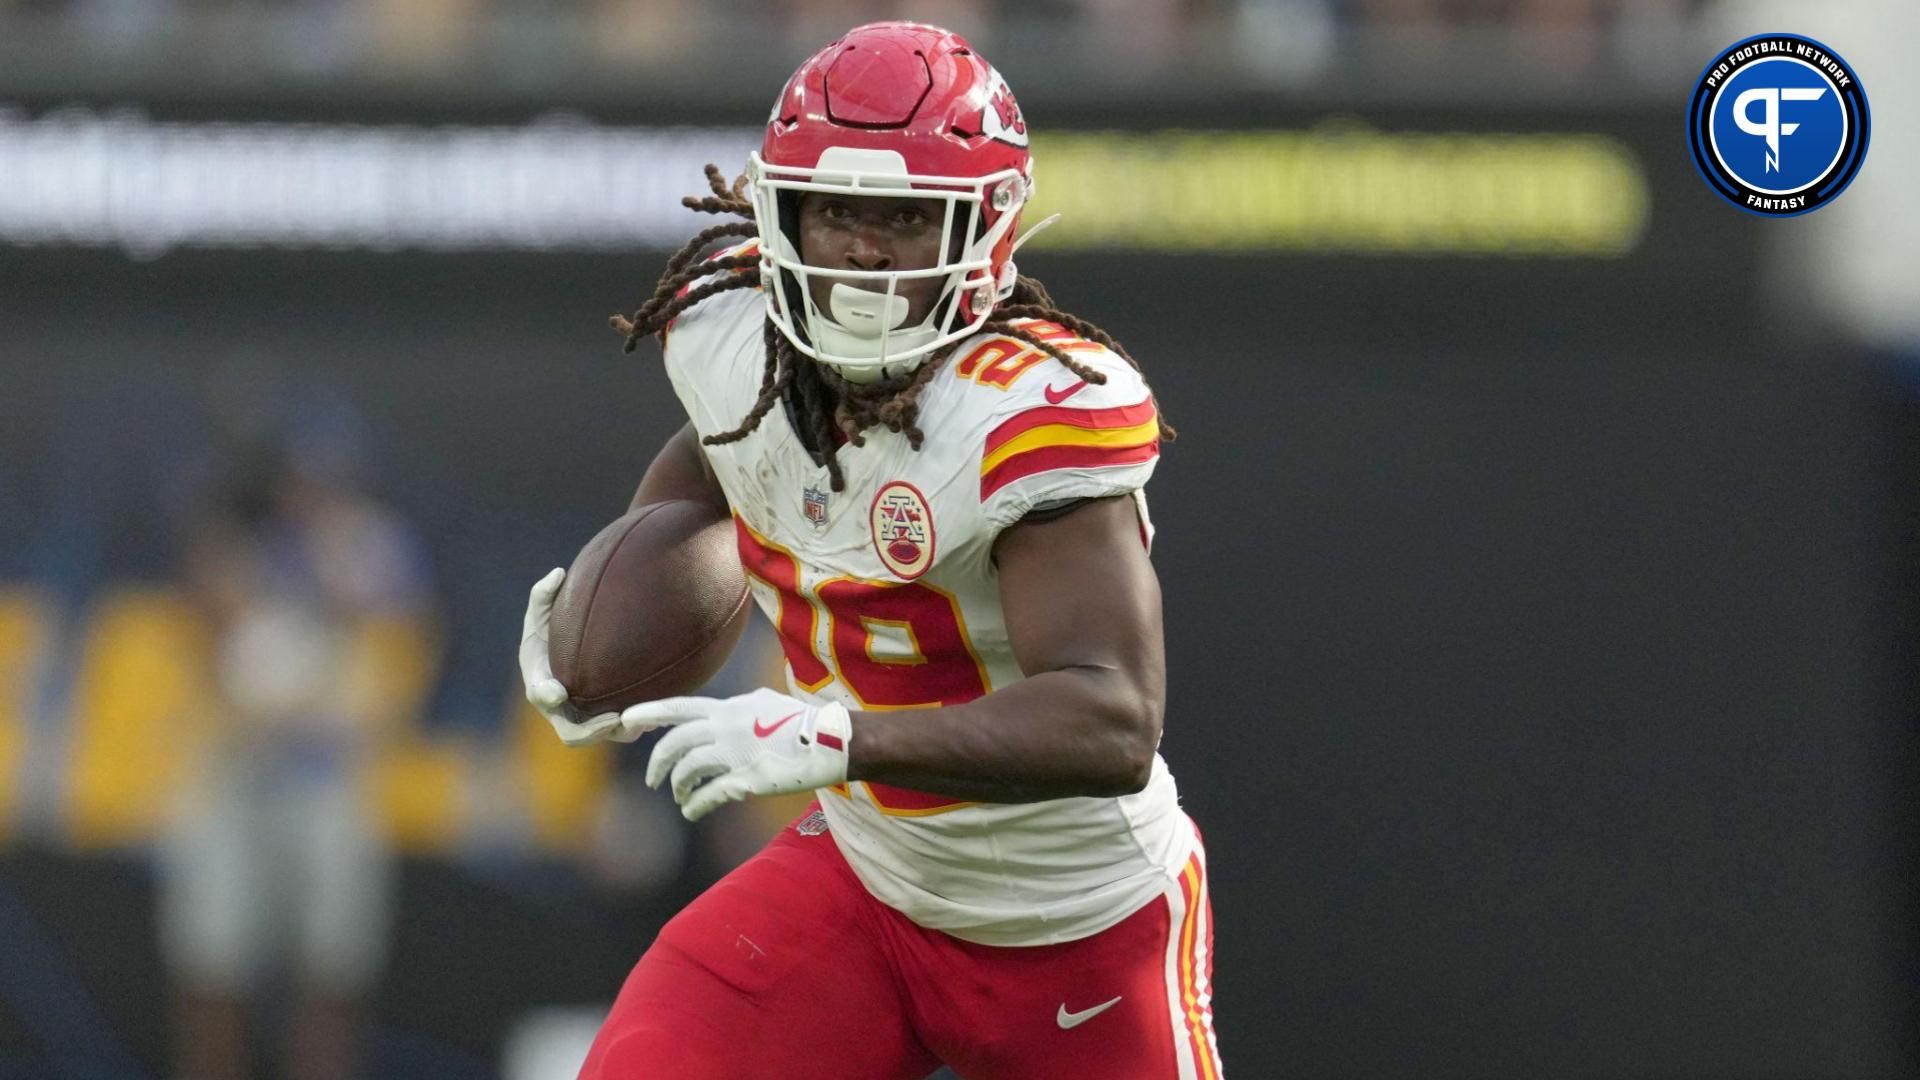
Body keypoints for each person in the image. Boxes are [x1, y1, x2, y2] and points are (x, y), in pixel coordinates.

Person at [517, 21, 1223, 1079]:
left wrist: (839, 740)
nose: (860, 246)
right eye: (836, 210)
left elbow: (1112, 715)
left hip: (1074, 919)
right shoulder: (733, 340)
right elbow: (704, 496)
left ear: (981, 234)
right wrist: (598, 652)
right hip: (869, 880)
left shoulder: (1028, 408)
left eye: (903, 218)